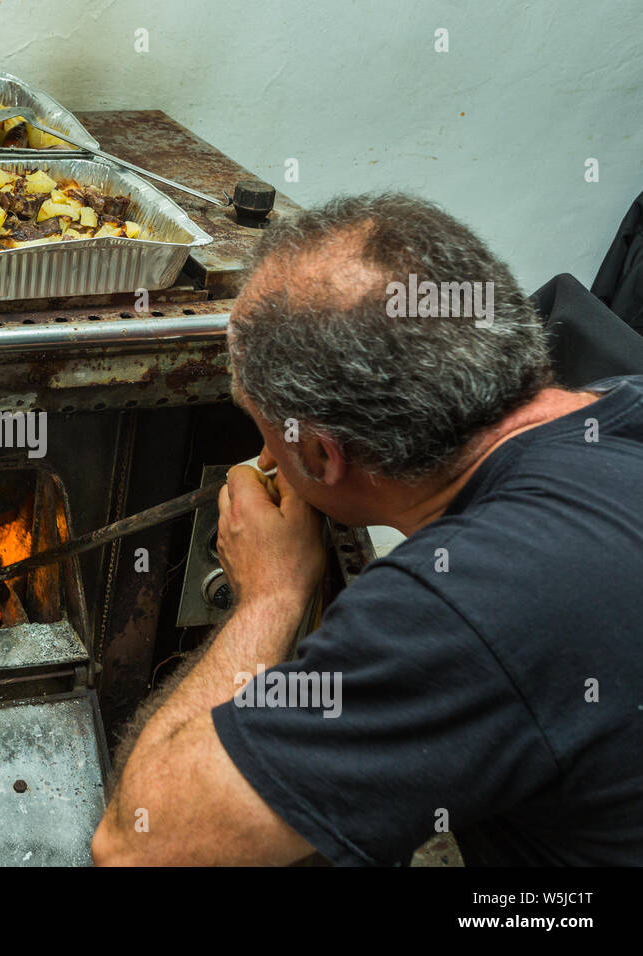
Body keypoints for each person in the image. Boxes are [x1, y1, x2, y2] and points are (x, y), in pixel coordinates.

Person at [91, 193, 643, 866]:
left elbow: (139, 846)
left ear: (320, 455)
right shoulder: (619, 404)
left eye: (257, 423)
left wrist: (271, 596)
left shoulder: (470, 602)